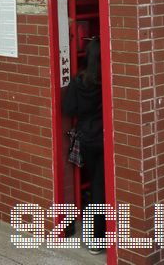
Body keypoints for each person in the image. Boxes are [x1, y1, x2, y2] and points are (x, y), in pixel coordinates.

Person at [63, 37, 105, 255]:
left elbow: (69, 108)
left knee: (97, 186)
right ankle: (99, 238)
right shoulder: (108, 80)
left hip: (87, 138)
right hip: (106, 138)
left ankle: (97, 238)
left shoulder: (78, 82)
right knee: (101, 187)